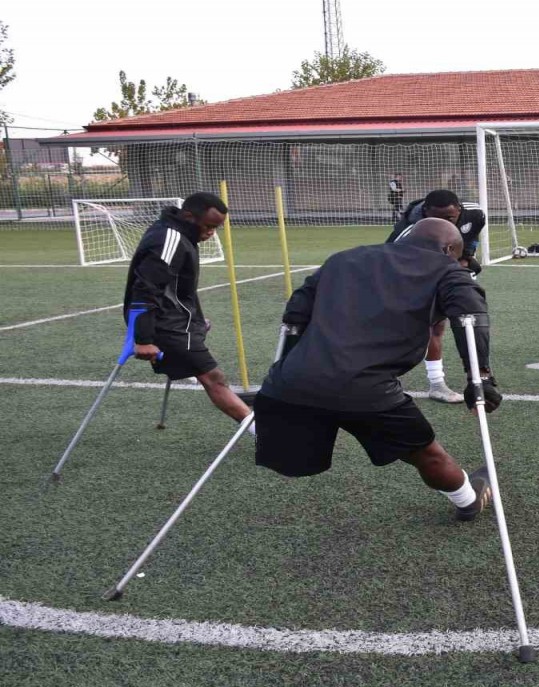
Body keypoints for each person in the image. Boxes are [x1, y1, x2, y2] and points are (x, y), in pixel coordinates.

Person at [255, 218, 502, 521]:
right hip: (366, 389)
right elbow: (470, 316)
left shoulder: (342, 259)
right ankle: (469, 499)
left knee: (295, 447)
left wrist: (284, 368)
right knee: (427, 454)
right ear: (448, 249)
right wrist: (482, 378)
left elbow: (295, 313)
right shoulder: (446, 268)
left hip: (292, 380)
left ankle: (467, 496)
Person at [125, 192, 252, 427]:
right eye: (208, 226)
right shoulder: (169, 239)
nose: (211, 233)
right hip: (164, 324)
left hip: (178, 319)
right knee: (214, 378)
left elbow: (179, 290)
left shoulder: (180, 233)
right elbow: (146, 289)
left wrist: (195, 319)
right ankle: (264, 437)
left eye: (216, 228)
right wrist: (143, 339)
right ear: (188, 216)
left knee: (210, 371)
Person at [386, 189, 487, 403]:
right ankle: (425, 382)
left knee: (465, 321)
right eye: (435, 218)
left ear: (459, 210)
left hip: (452, 270)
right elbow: (392, 259)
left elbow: (472, 234)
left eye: (450, 218)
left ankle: (463, 380)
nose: (444, 224)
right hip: (417, 272)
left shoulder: (475, 214)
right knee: (425, 327)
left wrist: (467, 257)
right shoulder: (408, 230)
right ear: (425, 212)